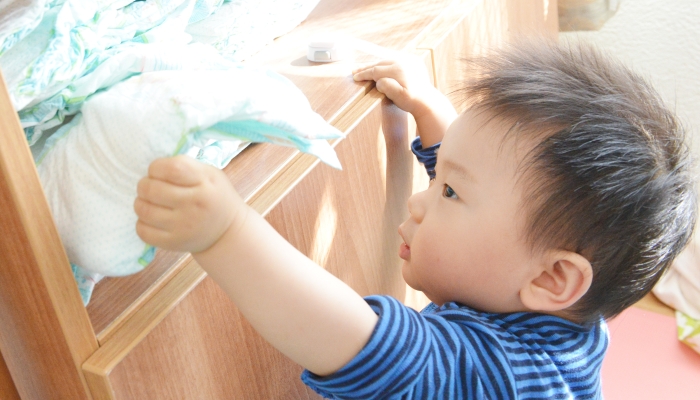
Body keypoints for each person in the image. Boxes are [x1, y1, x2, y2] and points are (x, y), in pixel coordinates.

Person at [133, 40, 696, 399]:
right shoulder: (568, 315)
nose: (420, 202)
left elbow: (357, 340)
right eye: (438, 178)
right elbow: (497, 204)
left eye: (448, 190)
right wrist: (433, 118)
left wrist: (226, 232)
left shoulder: (501, 378)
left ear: (552, 279)